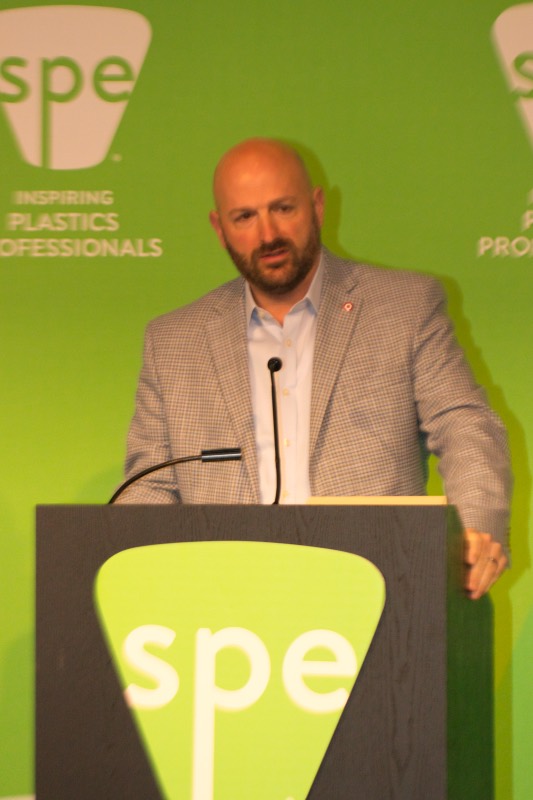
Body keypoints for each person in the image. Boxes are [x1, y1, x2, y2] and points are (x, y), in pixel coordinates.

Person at [119, 137, 511, 599]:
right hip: (224, 604)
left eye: (283, 208)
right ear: (219, 229)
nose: (267, 235)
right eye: (244, 217)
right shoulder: (172, 342)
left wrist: (473, 530)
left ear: (318, 206)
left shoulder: (404, 308)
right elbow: (150, 486)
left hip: (377, 590)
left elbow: (464, 426)